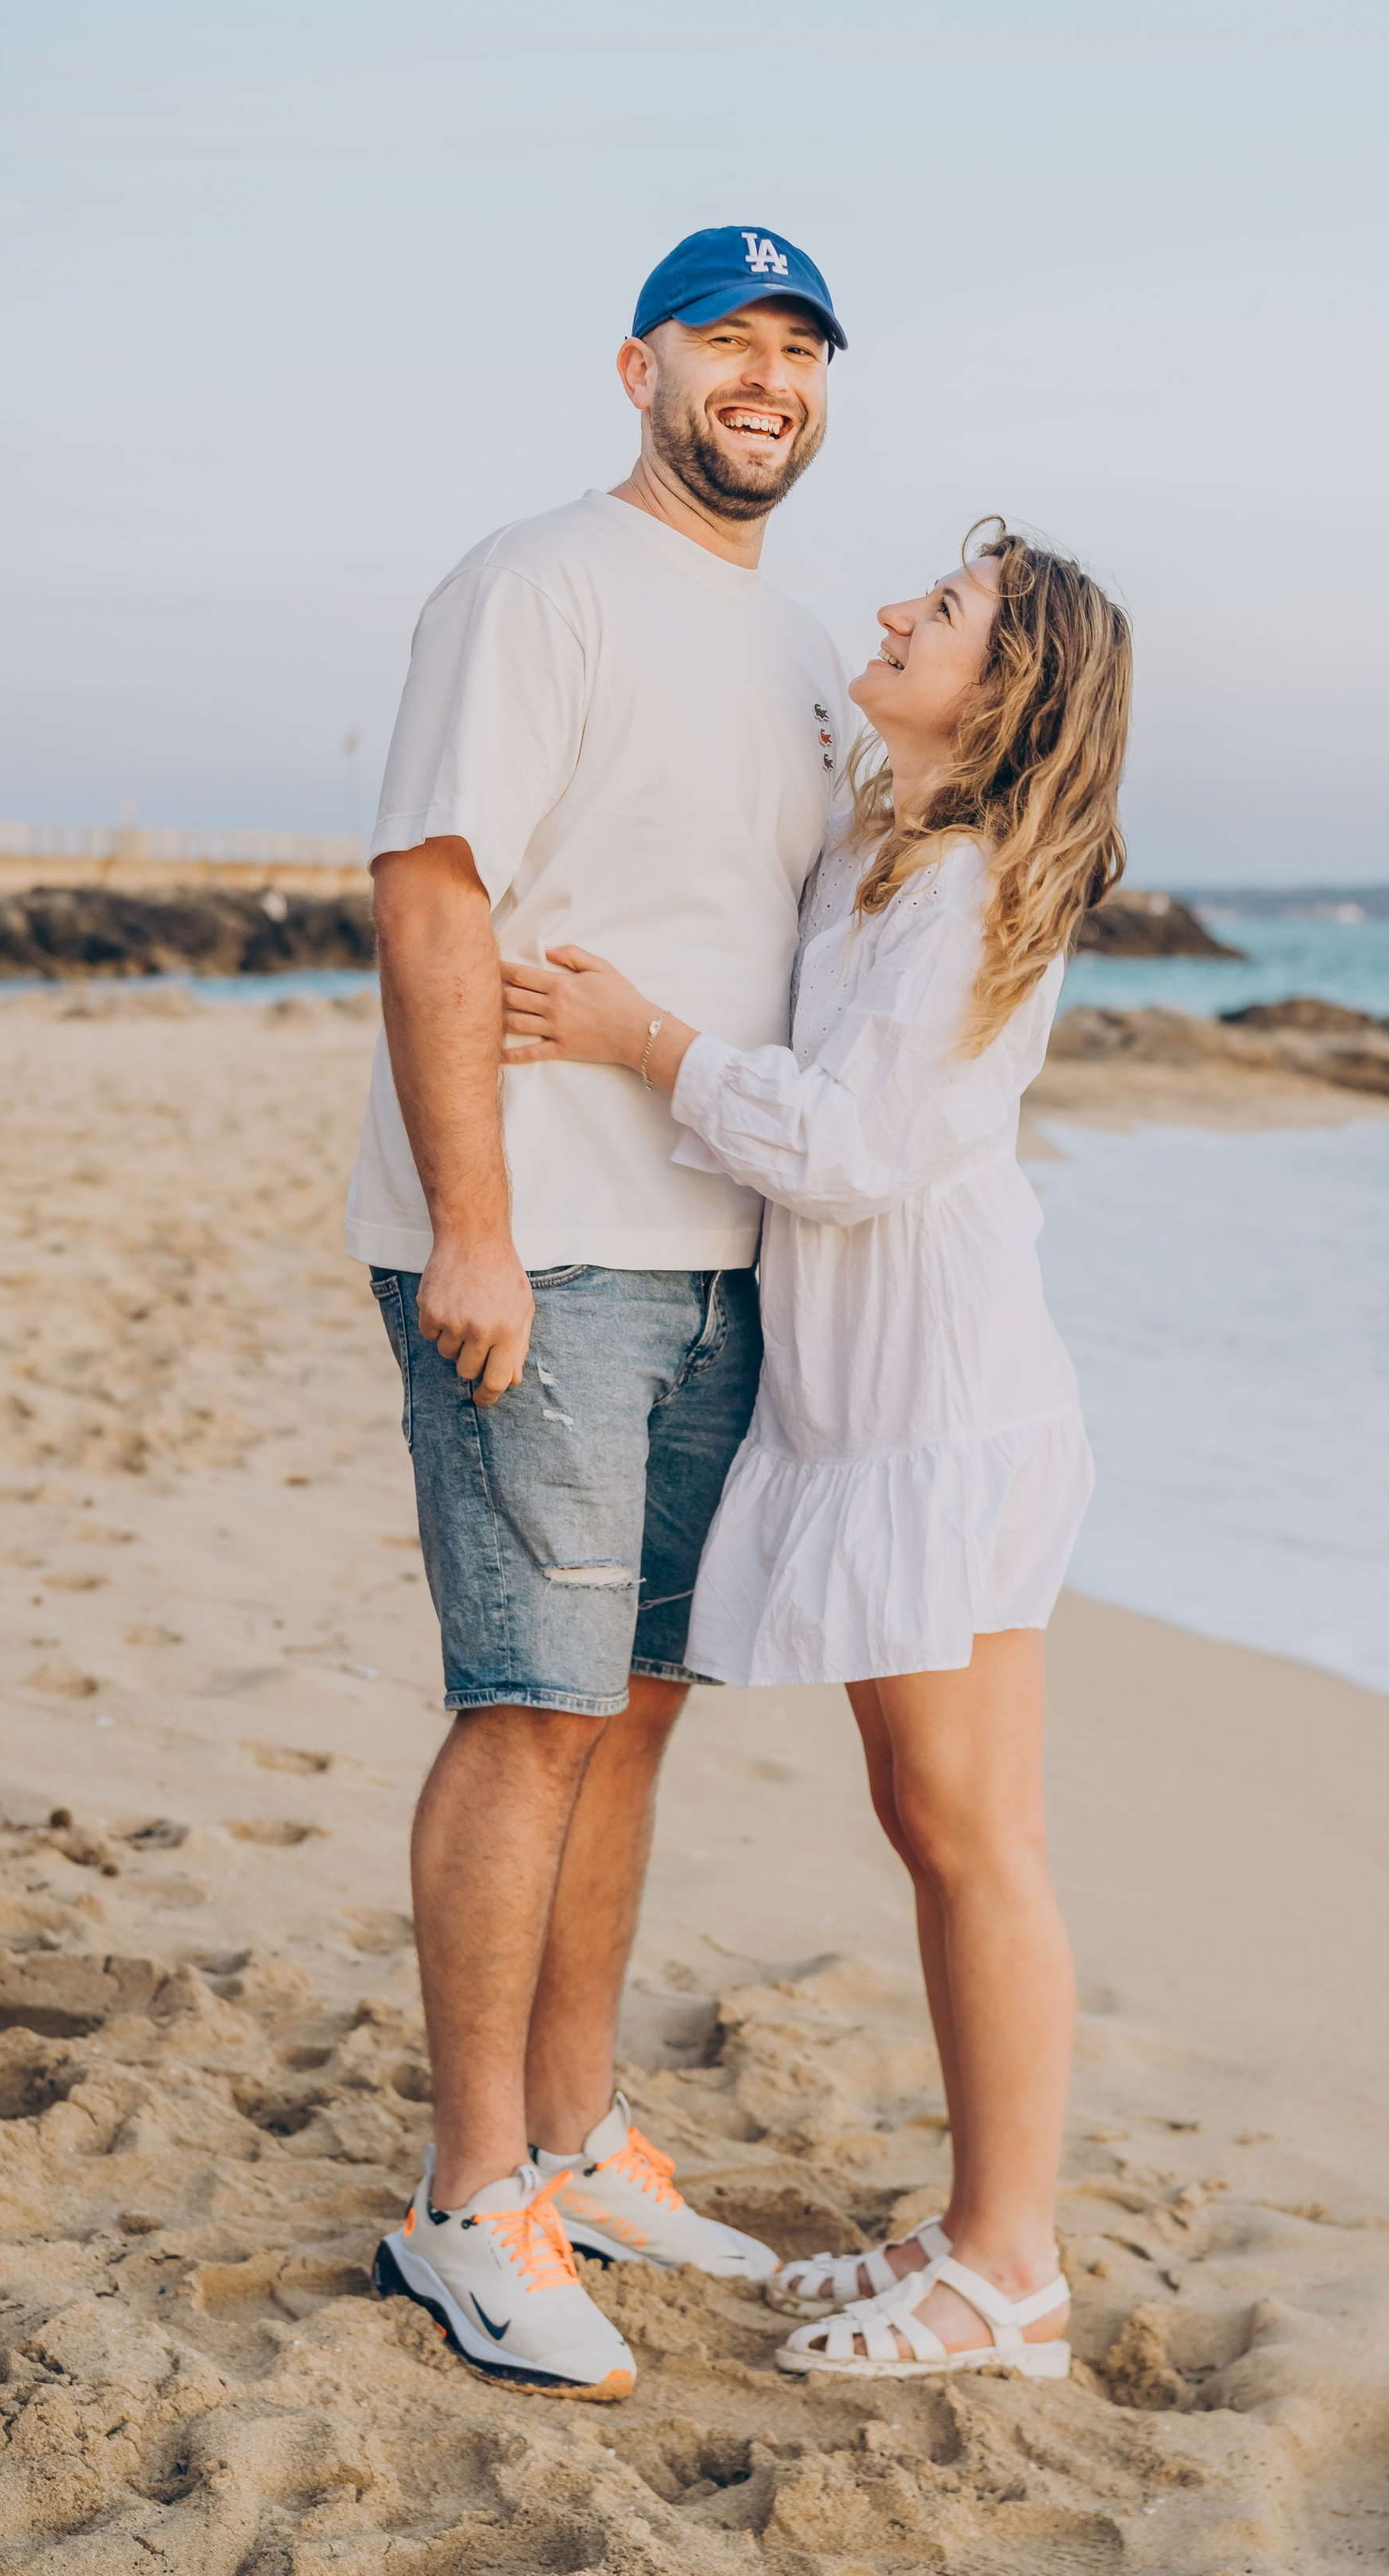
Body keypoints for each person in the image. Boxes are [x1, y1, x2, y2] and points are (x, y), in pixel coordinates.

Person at [498, 521, 1133, 2381]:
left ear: (1002, 687)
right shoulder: (887, 850)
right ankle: (974, 2222)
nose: (890, 613)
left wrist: (641, 1035)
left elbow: (853, 1146)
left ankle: (1008, 2270)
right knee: (932, 1827)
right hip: (870, 1397)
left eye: (936, 613)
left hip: (940, 1402)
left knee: (970, 1840)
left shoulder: (966, 890)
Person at [347, 226, 851, 2401]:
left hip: (715, 1247)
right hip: (535, 1239)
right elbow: (434, 883)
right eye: (730, 341)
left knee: (635, 1707)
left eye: (803, 350)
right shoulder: (534, 581)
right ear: (639, 365)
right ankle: (470, 2201)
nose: (768, 378)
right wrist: (470, 1219)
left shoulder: (797, 634)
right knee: (529, 1708)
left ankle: (575, 2138)